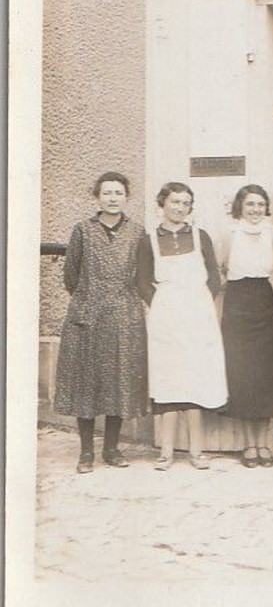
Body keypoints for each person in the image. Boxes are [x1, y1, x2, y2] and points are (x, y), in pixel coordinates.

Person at [54, 171, 148, 473]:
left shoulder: (137, 232)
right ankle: (85, 453)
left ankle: (111, 448)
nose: (112, 199)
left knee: (118, 382)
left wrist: (122, 304)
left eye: (118, 193)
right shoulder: (82, 230)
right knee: (87, 384)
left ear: (126, 197)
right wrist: (90, 299)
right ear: (97, 197)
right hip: (88, 318)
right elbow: (70, 274)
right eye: (107, 193)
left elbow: (142, 274)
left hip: (124, 319)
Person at [137, 182, 227, 470]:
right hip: (166, 315)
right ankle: (165, 451)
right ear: (162, 204)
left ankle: (196, 451)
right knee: (168, 378)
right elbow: (141, 281)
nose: (180, 208)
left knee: (196, 378)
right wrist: (163, 303)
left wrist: (199, 304)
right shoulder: (149, 239)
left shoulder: (200, 237)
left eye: (186, 203)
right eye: (175, 202)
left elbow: (214, 277)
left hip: (198, 315)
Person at [220, 184, 273, 467]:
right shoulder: (229, 233)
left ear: (266, 208)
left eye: (260, 205)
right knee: (243, 376)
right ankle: (248, 446)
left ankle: (264, 444)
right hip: (238, 308)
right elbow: (218, 266)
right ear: (240, 207)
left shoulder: (272, 232)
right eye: (250, 204)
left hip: (269, 306)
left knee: (266, 377)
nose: (255, 210)